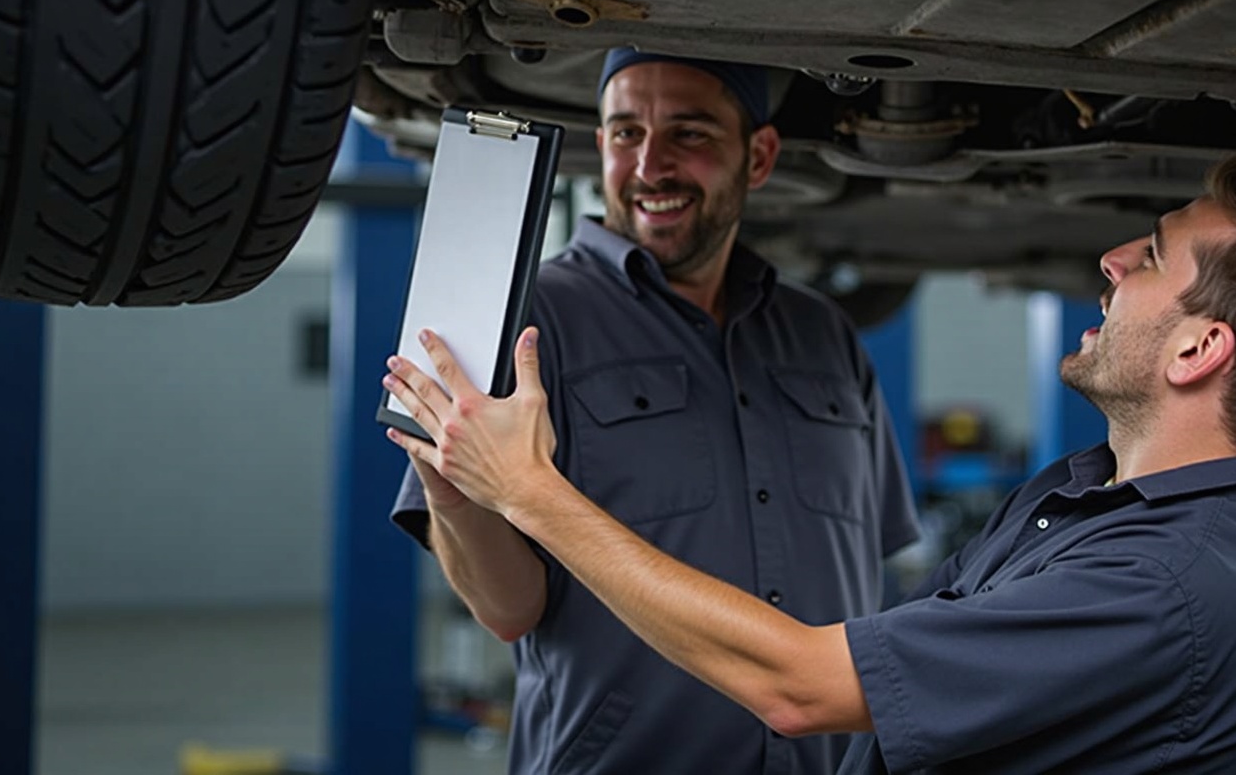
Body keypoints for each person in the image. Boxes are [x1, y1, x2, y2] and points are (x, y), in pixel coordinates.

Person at [384, 158, 1236, 774]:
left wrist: (533, 492)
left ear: (1199, 350)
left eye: (1149, 255)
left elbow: (799, 684)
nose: (1111, 261)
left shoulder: (1171, 583)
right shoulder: (1086, 503)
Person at [389, 46, 922, 774]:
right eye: (625, 133)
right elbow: (508, 612)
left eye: (690, 134)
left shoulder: (822, 332)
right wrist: (453, 493)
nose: (649, 167)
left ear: (758, 156)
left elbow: (870, 580)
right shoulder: (527, 322)